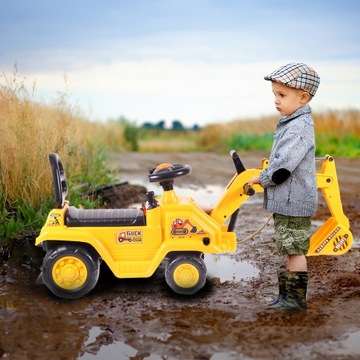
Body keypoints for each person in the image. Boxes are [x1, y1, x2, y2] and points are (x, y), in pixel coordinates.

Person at [248, 62, 320, 311]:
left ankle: (295, 300)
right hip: (287, 203)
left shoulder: (299, 128)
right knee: (290, 249)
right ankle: (286, 297)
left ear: (303, 98)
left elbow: (281, 169)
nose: (276, 101)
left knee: (295, 251)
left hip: (294, 202)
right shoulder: (290, 123)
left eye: (282, 95)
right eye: (274, 95)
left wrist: (261, 178)